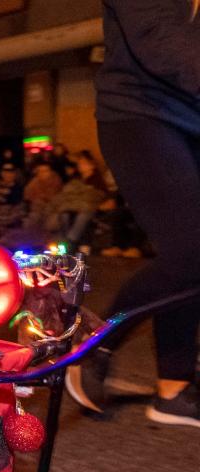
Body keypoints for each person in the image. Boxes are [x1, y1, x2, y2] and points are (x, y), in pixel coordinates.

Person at [68, 0, 200, 427]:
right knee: (192, 247)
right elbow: (160, 40)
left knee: (188, 255)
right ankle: (96, 339)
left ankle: (173, 390)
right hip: (140, 114)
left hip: (193, 119)